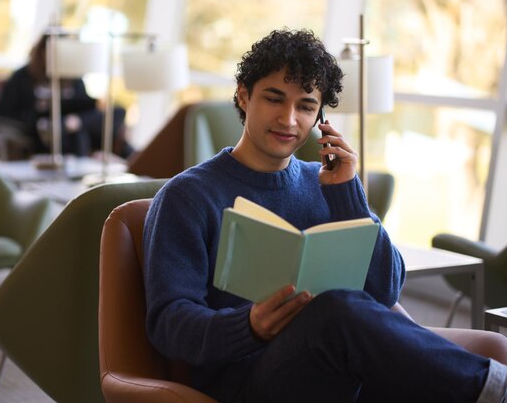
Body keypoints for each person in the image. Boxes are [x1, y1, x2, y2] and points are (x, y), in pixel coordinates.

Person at [143, 28, 507, 403]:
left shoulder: (328, 185)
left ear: (320, 117)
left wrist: (348, 195)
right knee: (334, 310)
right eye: (274, 98)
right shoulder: (187, 196)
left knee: (347, 318)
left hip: (339, 374)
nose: (288, 119)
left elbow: (383, 293)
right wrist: (249, 326)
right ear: (243, 95)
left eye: (305, 106)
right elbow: (168, 323)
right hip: (246, 384)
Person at [0, 33, 134, 158]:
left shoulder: (74, 81)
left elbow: (86, 107)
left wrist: (75, 121)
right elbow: (4, 114)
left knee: (117, 112)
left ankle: (131, 159)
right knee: (61, 130)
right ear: (42, 51)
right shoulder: (22, 78)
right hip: (44, 130)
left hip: (75, 126)